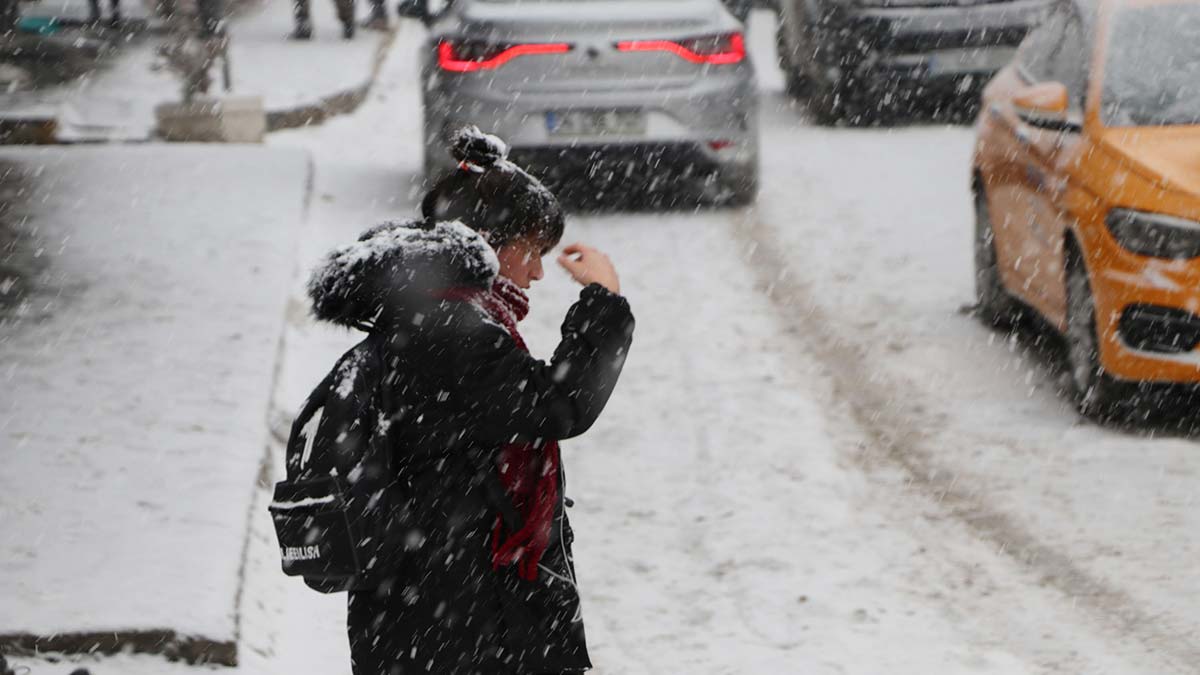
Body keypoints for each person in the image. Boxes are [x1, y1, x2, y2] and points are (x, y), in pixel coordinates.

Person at [305, 126, 635, 674]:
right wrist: (604, 301)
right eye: (531, 251)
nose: (535, 271)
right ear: (487, 243)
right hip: (461, 618)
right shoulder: (453, 331)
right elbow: (558, 405)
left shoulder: (425, 318)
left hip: (425, 611)